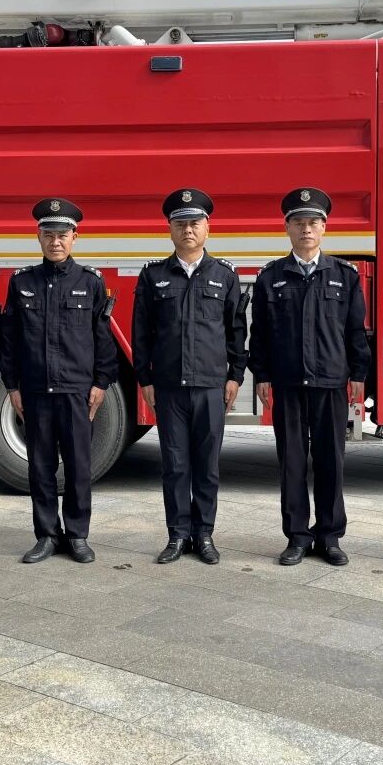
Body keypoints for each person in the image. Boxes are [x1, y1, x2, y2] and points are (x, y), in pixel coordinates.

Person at [250, 187, 371, 566]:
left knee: (331, 461)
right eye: (299, 223)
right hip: (287, 383)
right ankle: (297, 537)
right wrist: (262, 375)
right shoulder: (271, 277)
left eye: (313, 222)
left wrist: (359, 373)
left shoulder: (344, 276)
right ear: (287, 228)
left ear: (324, 228)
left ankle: (330, 536)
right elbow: (260, 333)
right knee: (292, 463)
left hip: (331, 383)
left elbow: (356, 330)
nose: (306, 229)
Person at [0, 198, 118, 564]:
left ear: (74, 238)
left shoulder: (91, 282)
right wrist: (13, 386)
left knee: (79, 467)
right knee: (40, 467)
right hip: (35, 391)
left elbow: (103, 337)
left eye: (62, 235)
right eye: (49, 234)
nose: (55, 241)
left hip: (76, 392)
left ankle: (77, 535)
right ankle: (47, 535)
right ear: (39, 237)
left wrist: (101, 382)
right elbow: (9, 339)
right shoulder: (22, 282)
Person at [133, 188, 248, 565]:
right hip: (169, 388)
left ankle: (205, 534)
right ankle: (178, 535)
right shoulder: (153, 276)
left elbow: (236, 330)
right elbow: (141, 332)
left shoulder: (224, 275)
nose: (188, 230)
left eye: (195, 223)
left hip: (211, 387)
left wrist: (235, 376)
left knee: (207, 467)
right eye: (180, 224)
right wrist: (145, 379)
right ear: (170, 229)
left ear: (207, 228)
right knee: (175, 465)